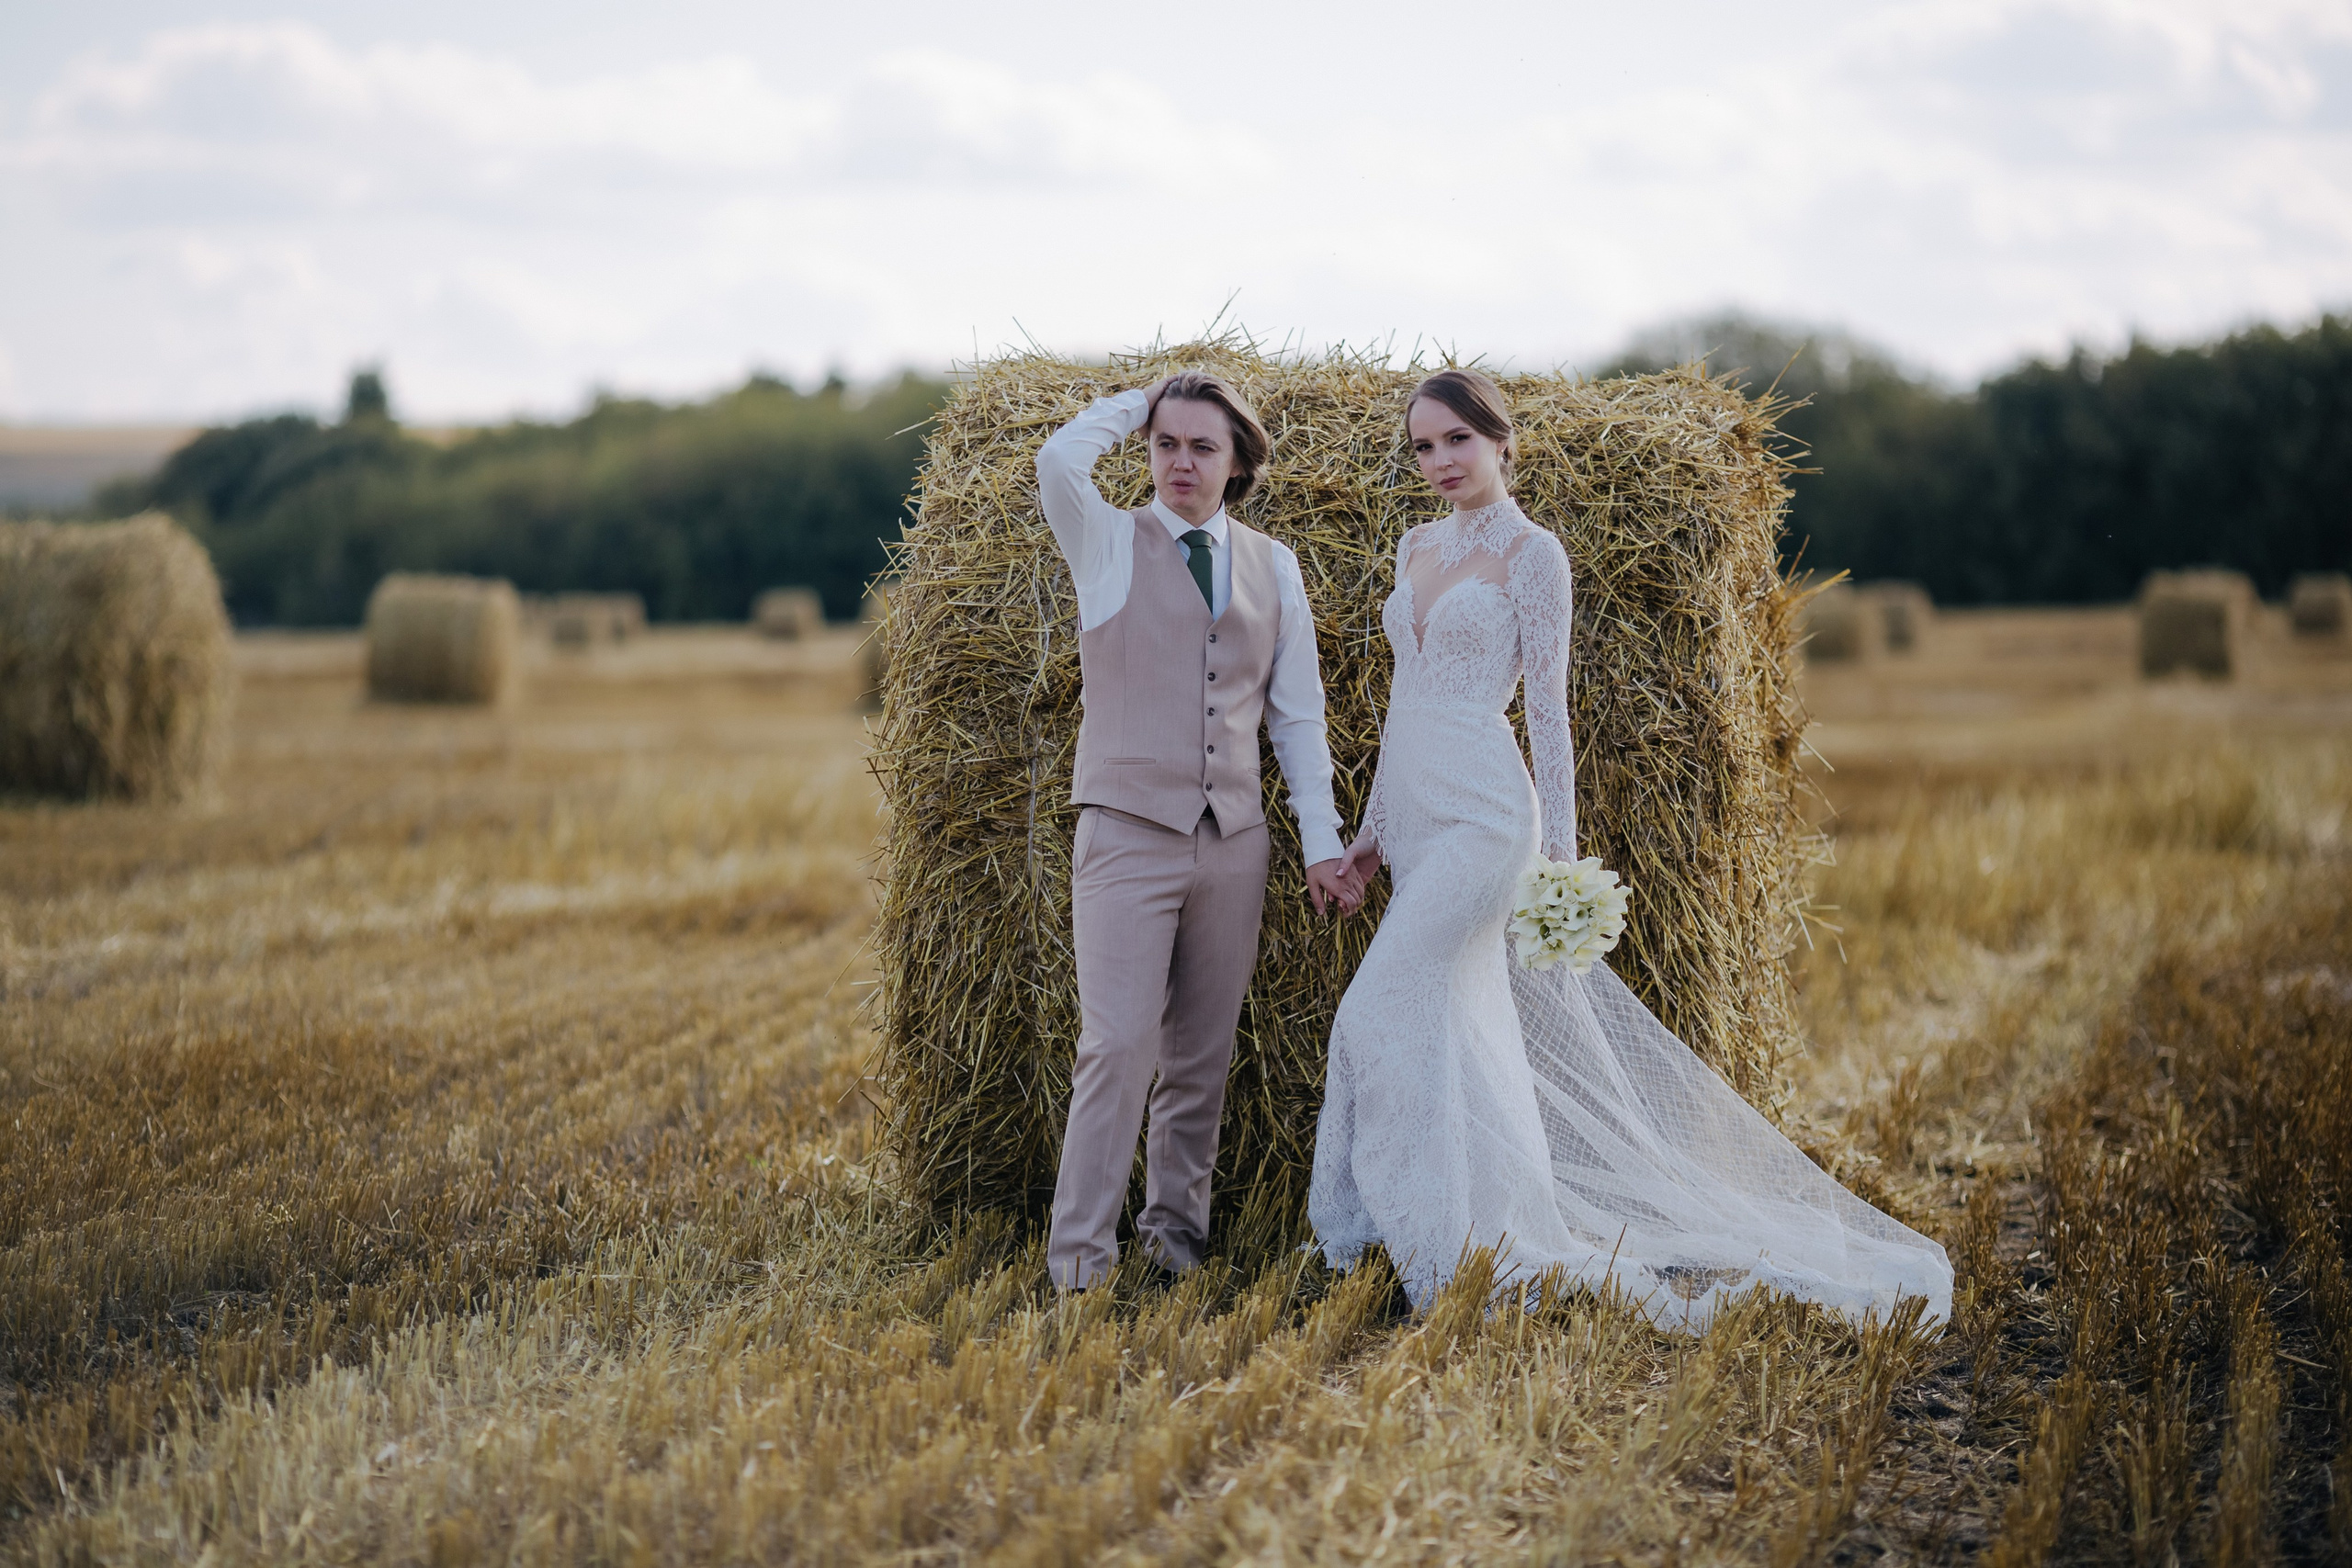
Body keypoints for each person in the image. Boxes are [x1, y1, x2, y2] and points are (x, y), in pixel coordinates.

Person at [1309, 368, 1952, 1328]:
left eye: (1456, 440)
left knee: (1376, 1010)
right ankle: (1462, 1239)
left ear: (1499, 441)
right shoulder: (1414, 546)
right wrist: (1370, 836)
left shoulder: (1534, 555)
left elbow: (1549, 712)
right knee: (1453, 1031)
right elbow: (1406, 707)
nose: (1438, 461)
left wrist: (1559, 866)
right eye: (1422, 446)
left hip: (1488, 818)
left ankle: (1435, 1251)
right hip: (1416, 813)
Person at [1035, 370, 1359, 1291]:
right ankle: (1080, 1269)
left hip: (1234, 840)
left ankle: (1174, 1247)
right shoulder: (1104, 542)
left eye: (1202, 446)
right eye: (1165, 444)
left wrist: (1320, 842)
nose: (1180, 462)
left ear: (1237, 461)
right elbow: (1057, 459)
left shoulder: (1274, 565)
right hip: (1126, 832)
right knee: (1117, 1046)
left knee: (1198, 1060)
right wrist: (1141, 400)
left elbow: (1295, 718)